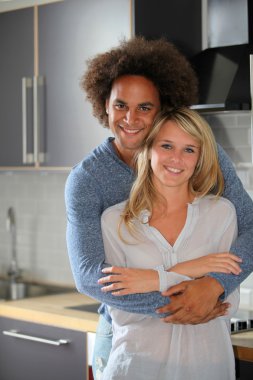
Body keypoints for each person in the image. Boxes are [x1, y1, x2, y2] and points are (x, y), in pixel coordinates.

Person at [64, 37, 253, 379]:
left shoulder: (196, 159)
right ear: (103, 105)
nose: (130, 118)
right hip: (129, 331)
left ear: (163, 107)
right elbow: (90, 276)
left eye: (145, 108)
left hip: (202, 338)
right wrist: (181, 305)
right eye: (120, 105)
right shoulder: (88, 180)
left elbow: (251, 227)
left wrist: (213, 287)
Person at [99, 107, 239, 380]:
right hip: (136, 369)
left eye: (189, 150)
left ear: (200, 158)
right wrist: (195, 271)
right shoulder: (115, 221)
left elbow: (224, 304)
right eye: (166, 146)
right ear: (148, 149)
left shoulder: (221, 213)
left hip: (207, 369)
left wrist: (152, 280)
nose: (177, 158)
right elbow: (123, 310)